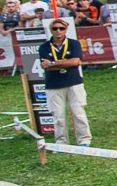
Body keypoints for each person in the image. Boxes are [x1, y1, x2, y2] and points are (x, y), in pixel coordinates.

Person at [38, 18, 91, 146]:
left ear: (66, 30)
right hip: (53, 84)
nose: (58, 31)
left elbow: (76, 62)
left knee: (78, 112)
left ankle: (84, 139)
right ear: (51, 30)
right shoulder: (44, 47)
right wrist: (66, 64)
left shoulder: (73, 44)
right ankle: (61, 141)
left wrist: (53, 63)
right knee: (58, 116)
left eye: (61, 28)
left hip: (74, 82)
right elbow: (44, 66)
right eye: (55, 28)